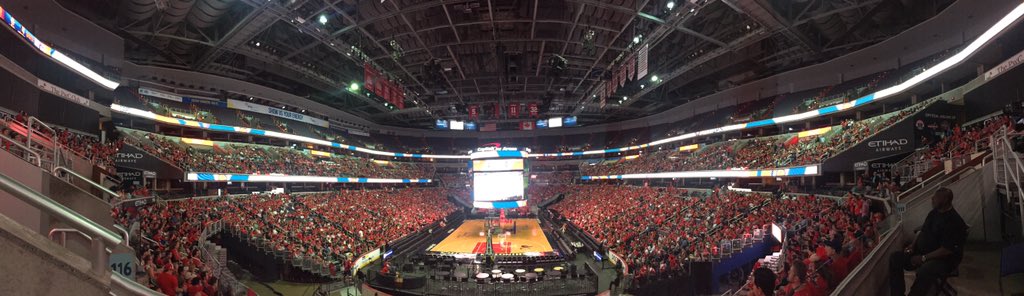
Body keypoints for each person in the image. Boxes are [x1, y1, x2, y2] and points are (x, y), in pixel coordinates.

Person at [888, 188, 967, 296]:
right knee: (895, 258)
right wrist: (912, 245)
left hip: (943, 260)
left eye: (936, 197)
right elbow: (922, 231)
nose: (932, 199)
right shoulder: (933, 213)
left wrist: (923, 258)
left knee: (925, 270)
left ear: (945, 200)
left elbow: (946, 250)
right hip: (922, 253)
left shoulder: (954, 221)